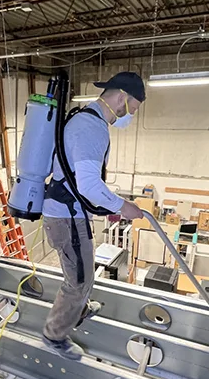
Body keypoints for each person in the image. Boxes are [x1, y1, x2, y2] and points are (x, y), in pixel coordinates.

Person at [41, 72, 147, 361]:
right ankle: (54, 335)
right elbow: (89, 185)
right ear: (122, 96)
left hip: (69, 214)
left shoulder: (85, 119)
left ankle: (80, 309)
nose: (131, 115)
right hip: (66, 217)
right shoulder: (91, 128)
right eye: (133, 108)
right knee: (78, 280)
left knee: (82, 273)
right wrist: (123, 206)